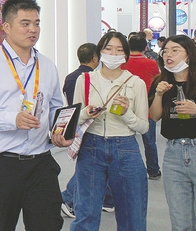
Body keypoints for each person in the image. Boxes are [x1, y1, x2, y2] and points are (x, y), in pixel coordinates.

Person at [0, 0, 71, 231]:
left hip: (40, 161)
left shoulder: (46, 65)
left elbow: (55, 106)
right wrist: (12, 119)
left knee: (48, 224)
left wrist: (59, 131)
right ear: (6, 27)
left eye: (37, 23)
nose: (33, 29)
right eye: (25, 23)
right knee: (0, 225)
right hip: (1, 163)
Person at [70, 31, 149, 231]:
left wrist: (126, 113)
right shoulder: (85, 80)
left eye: (119, 50)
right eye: (108, 48)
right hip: (91, 146)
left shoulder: (136, 83)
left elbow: (143, 126)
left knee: (132, 213)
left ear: (126, 54)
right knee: (86, 212)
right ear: (100, 52)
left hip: (126, 148)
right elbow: (73, 118)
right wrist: (87, 112)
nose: (113, 54)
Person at [60, 43, 115, 218]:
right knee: (88, 167)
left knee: (97, 165)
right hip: (90, 125)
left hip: (77, 122)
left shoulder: (70, 77)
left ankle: (108, 199)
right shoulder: (90, 78)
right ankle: (67, 198)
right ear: (95, 58)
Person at [150, 35, 196, 231]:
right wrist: (159, 95)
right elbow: (155, 116)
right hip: (173, 154)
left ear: (189, 54)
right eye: (165, 51)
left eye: (175, 50)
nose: (169, 55)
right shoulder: (161, 82)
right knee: (180, 220)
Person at [123, 32, 162, 179]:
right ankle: (153, 170)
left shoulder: (122, 63)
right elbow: (157, 80)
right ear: (145, 47)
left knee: (125, 140)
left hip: (125, 107)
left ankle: (127, 171)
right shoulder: (151, 64)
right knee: (149, 141)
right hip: (147, 106)